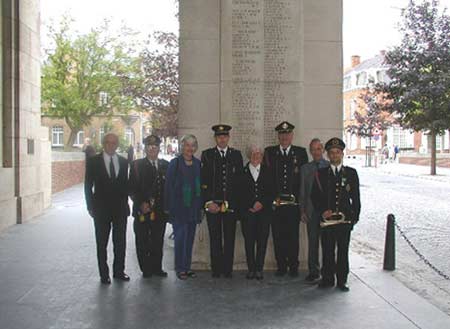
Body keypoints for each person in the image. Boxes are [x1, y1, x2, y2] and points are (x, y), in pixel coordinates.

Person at [311, 137, 361, 292]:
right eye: (331, 153)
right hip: (328, 220)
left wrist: (354, 217)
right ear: (327, 154)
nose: (334, 156)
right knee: (327, 250)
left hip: (344, 220)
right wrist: (322, 211)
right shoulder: (320, 174)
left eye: (337, 152)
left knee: (343, 251)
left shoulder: (351, 174)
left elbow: (356, 198)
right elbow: (315, 196)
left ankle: (342, 280)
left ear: (342, 154)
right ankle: (327, 278)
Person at [84, 132, 130, 284]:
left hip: (120, 210)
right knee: (101, 243)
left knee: (120, 242)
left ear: (117, 145)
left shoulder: (124, 162)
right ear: (104, 144)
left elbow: (125, 186)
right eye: (108, 143)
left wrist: (127, 205)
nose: (111, 145)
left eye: (114, 143)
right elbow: (88, 185)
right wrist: (90, 206)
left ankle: (119, 271)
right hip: (101, 210)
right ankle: (104, 274)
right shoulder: (93, 161)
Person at [264, 121, 308, 277]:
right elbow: (267, 179)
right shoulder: (269, 152)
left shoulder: (300, 153)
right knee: (277, 236)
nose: (284, 137)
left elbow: (303, 180)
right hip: (276, 205)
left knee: (293, 236)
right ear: (278, 136)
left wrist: (302, 205)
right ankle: (281, 265)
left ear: (292, 136)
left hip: (293, 205)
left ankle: (294, 265)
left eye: (287, 134)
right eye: (282, 135)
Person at [201, 124, 244, 278]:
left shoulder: (236, 155)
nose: (222, 139)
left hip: (230, 206)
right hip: (213, 205)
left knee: (229, 238)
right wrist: (208, 203)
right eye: (219, 136)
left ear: (228, 138)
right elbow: (203, 182)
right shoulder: (207, 155)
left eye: (225, 136)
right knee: (215, 238)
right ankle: (216, 269)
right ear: (215, 138)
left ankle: (227, 269)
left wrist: (236, 206)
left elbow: (239, 183)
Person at [128, 135, 169, 278]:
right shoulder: (137, 165)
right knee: (143, 240)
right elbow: (132, 188)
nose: (153, 149)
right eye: (150, 147)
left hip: (159, 211)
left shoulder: (165, 165)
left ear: (159, 148)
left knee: (158, 241)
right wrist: (140, 204)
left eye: (155, 147)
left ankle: (157, 267)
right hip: (142, 211)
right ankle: (146, 269)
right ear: (145, 148)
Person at [164, 134, 202, 280]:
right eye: (187, 145)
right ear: (182, 147)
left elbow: (200, 186)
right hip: (178, 209)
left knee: (189, 239)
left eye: (193, 145)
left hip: (193, 209)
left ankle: (187, 267)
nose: (189, 148)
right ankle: (180, 268)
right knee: (180, 239)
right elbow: (168, 187)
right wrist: (168, 208)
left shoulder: (198, 163)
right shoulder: (175, 163)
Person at [239, 144, 273, 280]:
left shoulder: (268, 171)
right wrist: (251, 204)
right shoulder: (242, 171)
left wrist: (262, 203)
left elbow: (272, 192)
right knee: (249, 242)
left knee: (262, 241)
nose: (255, 156)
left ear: (262, 156)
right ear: (248, 155)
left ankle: (259, 268)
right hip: (248, 214)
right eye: (253, 153)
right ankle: (251, 269)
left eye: (258, 153)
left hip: (264, 213)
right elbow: (238, 193)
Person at [299, 138, 329, 283]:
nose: (316, 152)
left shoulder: (329, 166)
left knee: (327, 243)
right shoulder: (305, 168)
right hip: (311, 211)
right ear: (310, 151)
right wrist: (302, 211)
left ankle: (327, 270)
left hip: (327, 213)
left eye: (318, 149)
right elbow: (303, 191)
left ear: (322, 150)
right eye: (313, 149)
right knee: (312, 243)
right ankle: (313, 271)